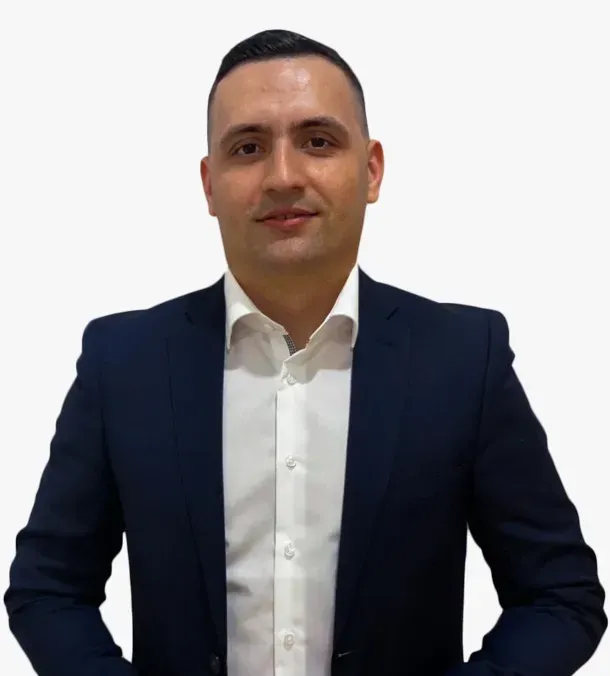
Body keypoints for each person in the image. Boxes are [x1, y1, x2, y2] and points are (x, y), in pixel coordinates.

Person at [4, 27, 606, 676]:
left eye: (318, 141)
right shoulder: (123, 363)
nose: (283, 176)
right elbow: (48, 590)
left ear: (370, 170)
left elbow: (559, 596)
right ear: (209, 185)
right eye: (248, 148)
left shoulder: (464, 359)